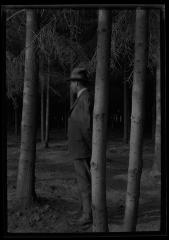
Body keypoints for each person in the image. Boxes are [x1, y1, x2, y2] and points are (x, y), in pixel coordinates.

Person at [67, 67, 93, 226]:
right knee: (82, 181)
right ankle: (84, 209)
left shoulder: (84, 99)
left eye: (71, 83)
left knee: (85, 183)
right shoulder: (82, 98)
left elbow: (86, 127)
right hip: (79, 149)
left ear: (76, 83)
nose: (70, 86)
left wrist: (92, 150)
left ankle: (87, 215)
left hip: (83, 150)